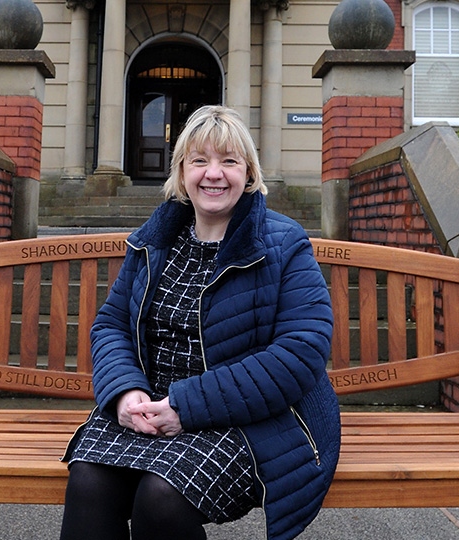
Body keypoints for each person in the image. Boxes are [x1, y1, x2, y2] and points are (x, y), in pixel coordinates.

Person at [59, 105, 340, 540]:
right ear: (182, 172)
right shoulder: (156, 239)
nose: (214, 174)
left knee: (161, 496)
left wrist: (184, 408)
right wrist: (125, 392)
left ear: (248, 173)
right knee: (89, 481)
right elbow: (111, 325)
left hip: (250, 420)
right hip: (150, 409)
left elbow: (301, 352)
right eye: (200, 161)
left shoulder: (284, 243)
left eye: (229, 161)